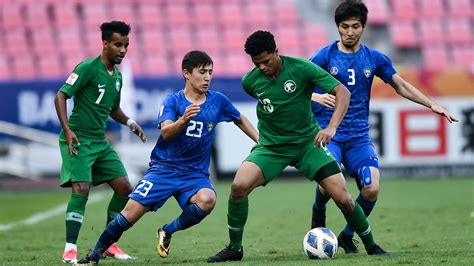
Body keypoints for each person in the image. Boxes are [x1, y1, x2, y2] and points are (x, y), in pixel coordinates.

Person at [207, 30, 389, 263]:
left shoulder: (302, 68)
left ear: (276, 52)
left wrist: (332, 126)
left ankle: (371, 245)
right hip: (273, 147)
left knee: (343, 198)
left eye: (266, 61)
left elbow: (342, 91)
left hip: (308, 144)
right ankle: (235, 248)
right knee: (238, 187)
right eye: (256, 63)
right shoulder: (249, 82)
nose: (262, 67)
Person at [75, 50, 259, 264]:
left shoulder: (218, 101)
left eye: (210, 72)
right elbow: (166, 132)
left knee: (208, 200)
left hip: (194, 174)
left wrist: (260, 141)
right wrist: (182, 121)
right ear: (186, 74)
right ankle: (94, 255)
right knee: (129, 214)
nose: (207, 77)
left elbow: (240, 118)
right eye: (202, 72)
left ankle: (167, 230)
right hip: (164, 169)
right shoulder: (172, 101)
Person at [309, 0, 458, 254]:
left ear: (364, 27)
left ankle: (346, 236)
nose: (349, 32)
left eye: (355, 26)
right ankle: (318, 214)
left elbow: (400, 85)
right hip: (329, 134)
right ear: (337, 27)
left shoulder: (374, 58)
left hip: (358, 137)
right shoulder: (324, 56)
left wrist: (431, 104)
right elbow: (296, 84)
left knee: (372, 187)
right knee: (329, 186)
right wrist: (315, 97)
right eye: (344, 26)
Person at [54, 21, 146, 264]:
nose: (123, 50)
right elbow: (61, 95)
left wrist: (130, 122)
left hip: (100, 142)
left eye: (126, 45)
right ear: (105, 43)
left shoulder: (117, 76)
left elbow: (113, 109)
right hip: (79, 139)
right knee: (82, 188)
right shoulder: (87, 68)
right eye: (118, 44)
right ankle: (70, 250)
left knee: (125, 188)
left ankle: (108, 243)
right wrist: (67, 129)